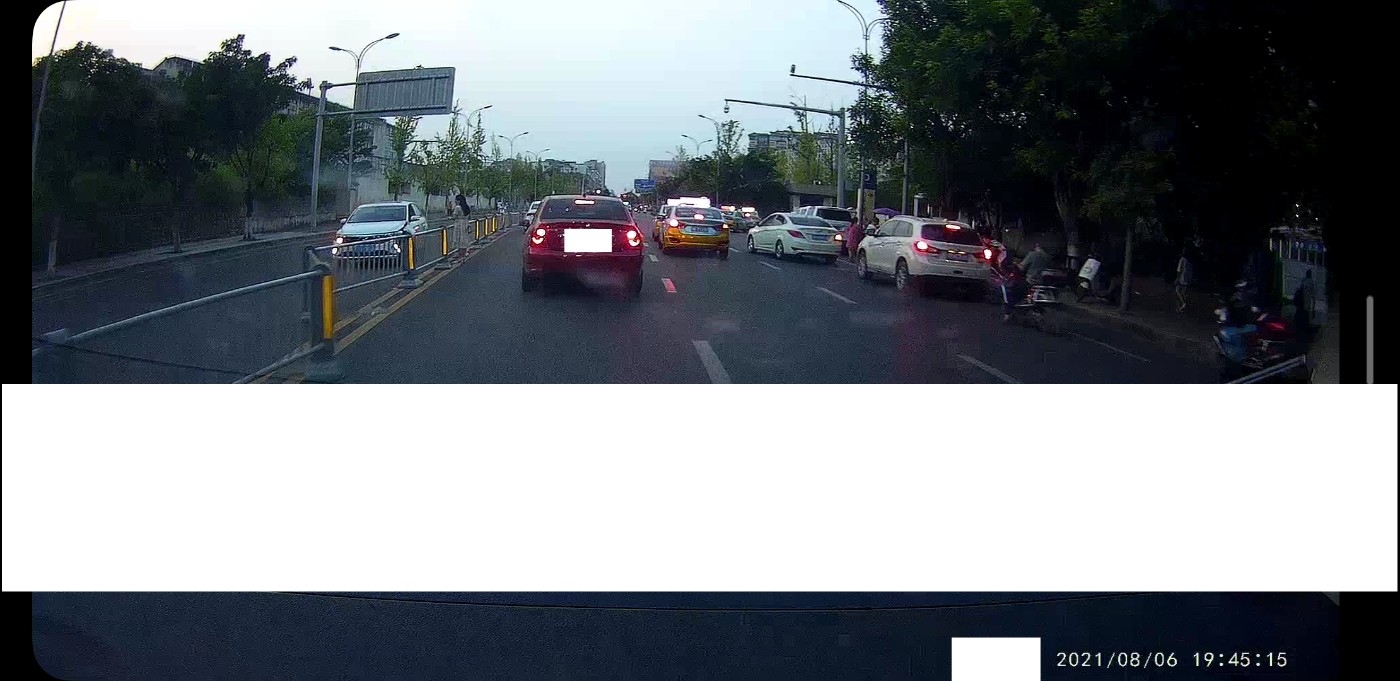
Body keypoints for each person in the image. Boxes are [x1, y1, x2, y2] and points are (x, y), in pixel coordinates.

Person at [1173, 248, 1194, 312]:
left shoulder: (1182, 259)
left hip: (1182, 278)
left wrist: (1177, 278)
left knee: (1177, 291)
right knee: (1183, 292)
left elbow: (1179, 270)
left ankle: (1183, 303)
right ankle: (1184, 305)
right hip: (1188, 278)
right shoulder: (1189, 260)